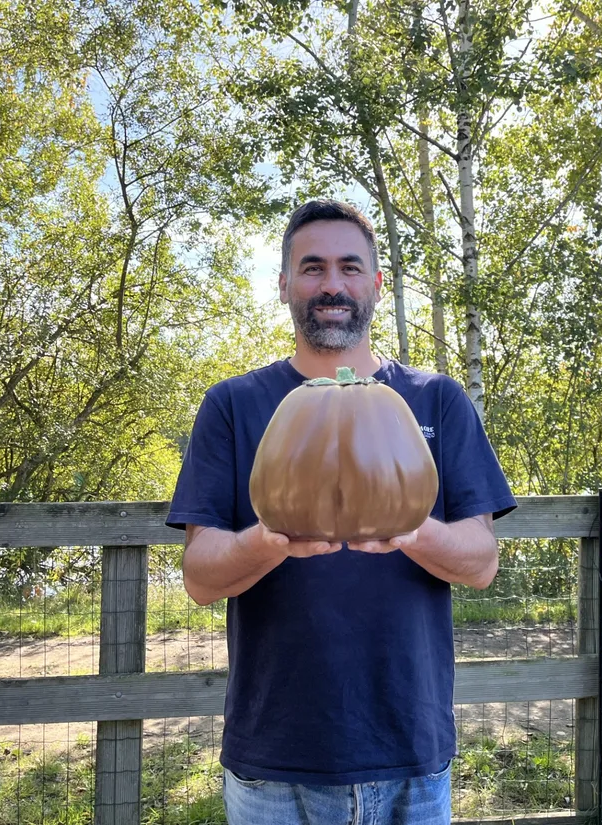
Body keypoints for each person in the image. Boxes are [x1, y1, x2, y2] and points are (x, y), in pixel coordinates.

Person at [166, 199, 517, 825]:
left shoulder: (438, 399)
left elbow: (482, 562)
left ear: (377, 284)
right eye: (312, 268)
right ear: (284, 285)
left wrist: (409, 528)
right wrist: (273, 541)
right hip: (275, 761)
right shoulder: (232, 405)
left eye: (350, 267)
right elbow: (199, 576)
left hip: (412, 752)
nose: (332, 284)